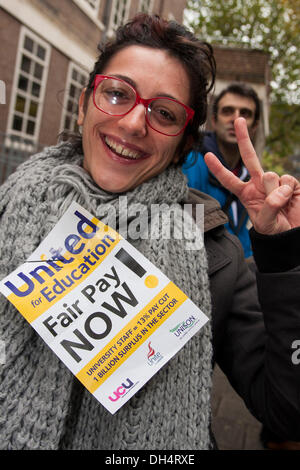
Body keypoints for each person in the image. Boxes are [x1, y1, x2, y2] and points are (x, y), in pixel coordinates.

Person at [0, 14, 299, 450]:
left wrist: (284, 258)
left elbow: (288, 413)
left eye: (164, 112)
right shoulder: (10, 210)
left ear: (183, 143)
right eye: (118, 94)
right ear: (85, 104)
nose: (134, 123)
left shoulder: (217, 257)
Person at [183, 83, 261, 258]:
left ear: (255, 125)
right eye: (227, 111)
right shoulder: (190, 163)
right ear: (214, 120)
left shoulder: (249, 175)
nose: (236, 119)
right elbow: (187, 237)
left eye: (245, 114)